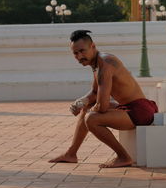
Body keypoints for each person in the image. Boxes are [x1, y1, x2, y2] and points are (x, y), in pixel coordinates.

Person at [49, 30, 158, 168]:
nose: (79, 56)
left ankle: (123, 157)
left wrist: (92, 107)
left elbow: (102, 106)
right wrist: (81, 102)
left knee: (92, 119)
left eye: (82, 51)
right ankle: (71, 153)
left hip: (139, 111)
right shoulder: (96, 65)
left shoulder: (106, 63)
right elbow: (95, 92)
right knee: (87, 109)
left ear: (93, 46)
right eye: (75, 53)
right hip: (128, 108)